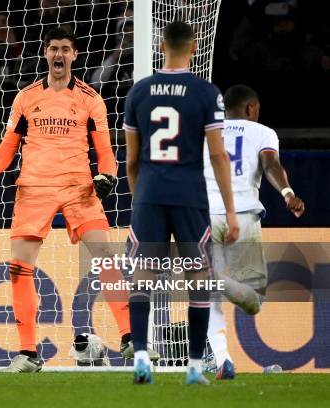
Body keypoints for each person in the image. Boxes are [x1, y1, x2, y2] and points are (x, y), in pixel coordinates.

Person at [0, 27, 138, 373]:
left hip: (79, 187)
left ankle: (128, 336)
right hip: (34, 188)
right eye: (53, 49)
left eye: (65, 48)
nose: (59, 55)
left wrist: (107, 175)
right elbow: (9, 143)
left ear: (74, 55)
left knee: (106, 256)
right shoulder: (26, 97)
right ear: (46, 54)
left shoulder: (91, 98)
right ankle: (29, 352)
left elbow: (105, 150)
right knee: (19, 268)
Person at [124, 21, 239, 385]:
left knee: (141, 274)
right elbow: (219, 155)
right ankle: (192, 366)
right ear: (194, 48)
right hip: (189, 196)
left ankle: (141, 354)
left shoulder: (139, 92)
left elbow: (131, 160)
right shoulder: (207, 93)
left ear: (161, 45)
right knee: (197, 277)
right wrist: (231, 211)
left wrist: (139, 196)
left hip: (150, 194)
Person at [203, 84, 305, 379]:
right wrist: (287, 192)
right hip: (243, 215)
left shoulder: (208, 130)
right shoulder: (262, 133)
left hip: (205, 215)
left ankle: (223, 360)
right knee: (254, 301)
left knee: (209, 295)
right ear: (251, 108)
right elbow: (271, 163)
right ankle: (221, 283)